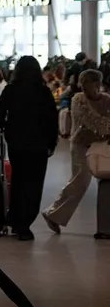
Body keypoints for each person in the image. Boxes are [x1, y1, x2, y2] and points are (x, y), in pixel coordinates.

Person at [0, 56, 59, 240]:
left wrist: (4, 126)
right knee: (34, 184)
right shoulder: (43, 92)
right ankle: (25, 222)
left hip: (16, 142)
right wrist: (52, 143)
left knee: (18, 181)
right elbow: (52, 119)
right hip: (39, 144)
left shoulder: (11, 90)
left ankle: (15, 219)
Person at [42, 69, 110, 239]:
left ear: (98, 83)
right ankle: (53, 213)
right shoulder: (78, 100)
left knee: (104, 182)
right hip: (81, 145)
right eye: (84, 83)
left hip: (101, 146)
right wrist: (105, 127)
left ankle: (104, 225)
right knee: (80, 181)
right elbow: (92, 121)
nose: (86, 87)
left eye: (90, 83)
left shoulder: (106, 100)